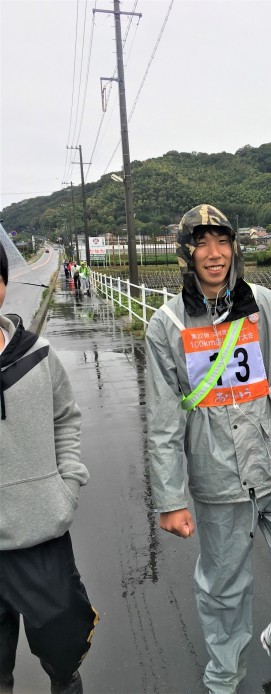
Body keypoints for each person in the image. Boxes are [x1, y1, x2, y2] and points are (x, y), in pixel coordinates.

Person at [145, 204, 271, 694]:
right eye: (201, 244)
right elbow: (164, 422)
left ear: (235, 247)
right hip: (218, 477)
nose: (214, 254)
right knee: (225, 589)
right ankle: (224, 676)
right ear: (185, 253)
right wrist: (170, 498)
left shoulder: (265, 305)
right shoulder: (167, 326)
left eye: (222, 242)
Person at [0, 242, 98, 694]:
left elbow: (66, 418)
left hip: (41, 536)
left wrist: (67, 486)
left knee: (63, 658)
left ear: (3, 286)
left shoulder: (37, 356)